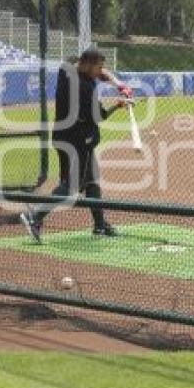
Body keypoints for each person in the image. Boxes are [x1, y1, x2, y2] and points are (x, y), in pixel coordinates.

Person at [20, 48, 132, 243]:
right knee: (72, 186)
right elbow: (100, 116)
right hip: (79, 141)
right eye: (98, 67)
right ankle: (35, 217)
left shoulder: (67, 70)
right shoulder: (86, 88)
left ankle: (99, 225)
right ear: (87, 65)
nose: (101, 71)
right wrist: (119, 104)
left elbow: (101, 74)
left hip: (62, 136)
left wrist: (118, 84)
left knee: (91, 181)